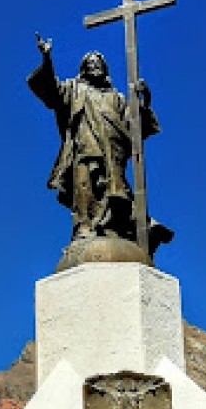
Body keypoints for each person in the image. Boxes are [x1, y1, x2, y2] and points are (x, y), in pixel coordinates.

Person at [28, 35, 168, 249]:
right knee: (85, 189)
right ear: (84, 69)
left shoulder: (117, 98)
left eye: (99, 63)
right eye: (91, 64)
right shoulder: (75, 89)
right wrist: (47, 58)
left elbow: (137, 127)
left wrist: (144, 101)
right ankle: (84, 229)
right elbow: (52, 92)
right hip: (85, 149)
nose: (95, 66)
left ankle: (123, 228)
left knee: (115, 194)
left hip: (114, 155)